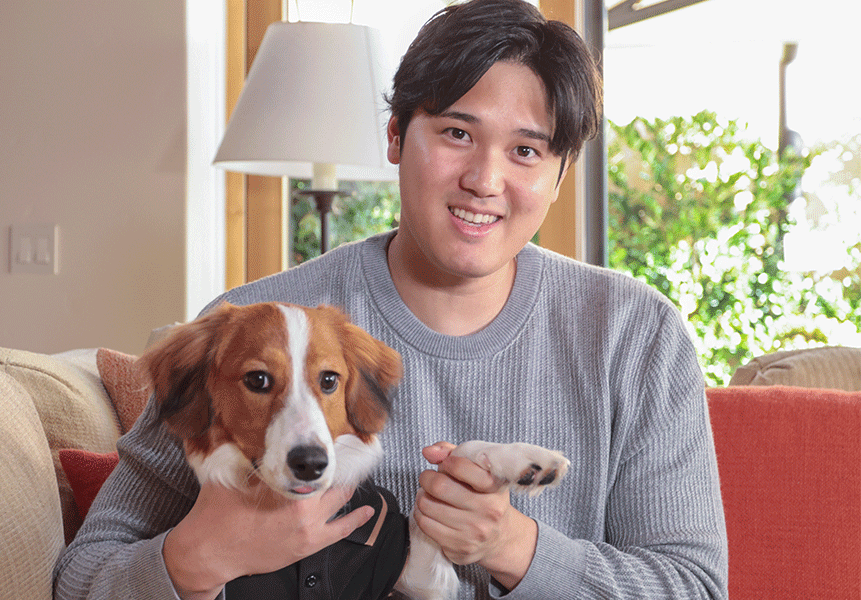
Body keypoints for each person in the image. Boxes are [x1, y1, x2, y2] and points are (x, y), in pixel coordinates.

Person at [54, 0, 728, 598]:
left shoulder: (637, 336)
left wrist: (512, 549)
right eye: (457, 134)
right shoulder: (250, 331)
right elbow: (83, 575)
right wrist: (194, 559)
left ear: (559, 176)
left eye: (526, 151)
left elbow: (694, 586)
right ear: (396, 138)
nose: (484, 180)